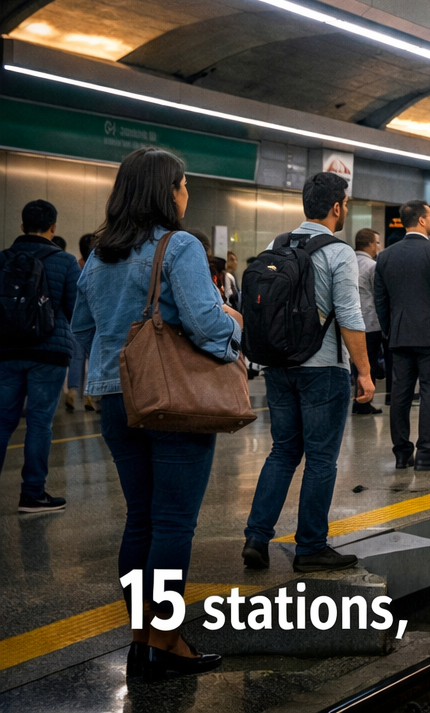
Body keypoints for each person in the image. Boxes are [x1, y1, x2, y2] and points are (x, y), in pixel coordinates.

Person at [72, 147, 241, 680]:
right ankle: (164, 643)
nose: (186, 192)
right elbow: (205, 325)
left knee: (140, 519)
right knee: (172, 524)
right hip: (171, 403)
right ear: (166, 191)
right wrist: (234, 326)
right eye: (183, 184)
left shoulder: (99, 255)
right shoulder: (179, 246)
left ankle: (142, 636)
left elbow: (82, 329)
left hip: (117, 399)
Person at [242, 172, 373, 573]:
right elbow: (349, 315)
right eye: (345, 204)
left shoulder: (274, 245)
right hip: (322, 369)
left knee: (283, 452)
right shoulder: (338, 252)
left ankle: (256, 537)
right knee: (320, 459)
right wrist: (365, 373)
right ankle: (311, 546)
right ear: (336, 208)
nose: (345, 210)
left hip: (278, 366)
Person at [0, 199, 80, 512]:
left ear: (21, 227)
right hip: (49, 352)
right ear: (53, 227)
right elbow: (75, 310)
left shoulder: (3, 259)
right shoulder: (65, 261)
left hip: (6, 351)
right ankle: (32, 493)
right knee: (39, 423)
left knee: (3, 422)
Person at [373, 200, 430, 470]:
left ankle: (402, 453)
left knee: (400, 394)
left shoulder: (386, 255)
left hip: (399, 336)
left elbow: (381, 298)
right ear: (422, 221)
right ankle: (426, 453)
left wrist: (390, 329)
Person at [354, 228, 386, 414]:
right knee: (369, 364)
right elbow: (378, 294)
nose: (379, 246)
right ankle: (364, 402)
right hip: (370, 323)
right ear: (370, 244)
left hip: (349, 324)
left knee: (354, 366)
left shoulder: (347, 262)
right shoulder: (372, 266)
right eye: (378, 242)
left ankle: (356, 399)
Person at [64, 233, 94, 412]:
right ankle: (90, 395)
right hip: (94, 320)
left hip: (76, 320)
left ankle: (72, 392)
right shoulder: (98, 266)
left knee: (76, 358)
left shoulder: (76, 267)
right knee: (92, 359)